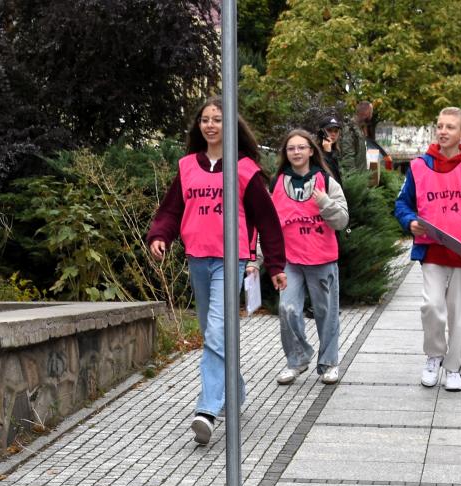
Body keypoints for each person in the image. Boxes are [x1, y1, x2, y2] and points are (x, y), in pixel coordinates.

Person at [146, 96, 287, 445]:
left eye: (217, 119)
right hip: (197, 258)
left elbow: (268, 221)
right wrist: (160, 235)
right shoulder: (187, 167)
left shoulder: (244, 169)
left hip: (232, 259)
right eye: (205, 120)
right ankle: (235, 392)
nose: (210, 125)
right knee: (217, 333)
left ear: (230, 126)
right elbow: (170, 209)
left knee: (215, 332)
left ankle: (207, 409)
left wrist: (276, 265)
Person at [394, 107, 461, 392]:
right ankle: (434, 355)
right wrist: (410, 221)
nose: (443, 131)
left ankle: (453, 367)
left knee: (459, 314)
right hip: (432, 250)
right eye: (440, 126)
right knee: (431, 306)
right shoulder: (419, 165)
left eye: (450, 127)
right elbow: (402, 204)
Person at [271, 129, 349, 386]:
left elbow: (342, 220)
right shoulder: (277, 183)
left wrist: (325, 202)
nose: (296, 152)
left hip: (322, 259)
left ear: (311, 151)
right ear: (286, 153)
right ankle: (297, 359)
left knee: (326, 313)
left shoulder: (325, 181)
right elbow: (267, 224)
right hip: (290, 261)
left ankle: (329, 363)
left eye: (301, 147)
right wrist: (258, 259)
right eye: (291, 148)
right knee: (287, 308)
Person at [339, 100, 371, 174]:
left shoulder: (358, 128)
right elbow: (348, 156)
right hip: (354, 180)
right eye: (370, 112)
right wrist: (354, 179)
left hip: (360, 177)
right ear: (366, 112)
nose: (371, 114)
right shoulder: (350, 129)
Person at [317, 115, 344, 186]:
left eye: (336, 131)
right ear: (322, 133)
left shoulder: (336, 150)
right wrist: (327, 153)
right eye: (329, 130)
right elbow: (327, 174)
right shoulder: (315, 152)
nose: (333, 134)